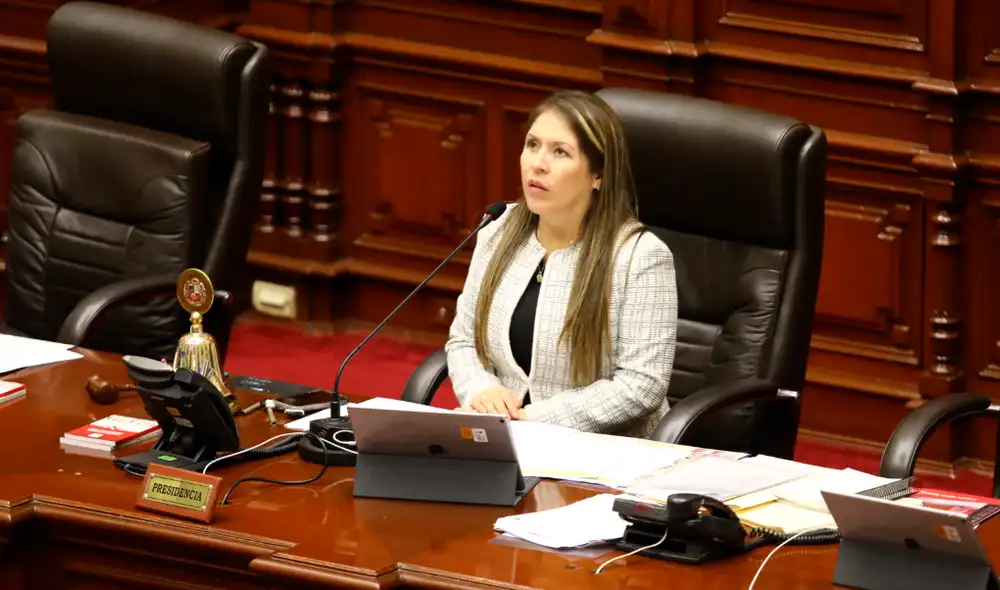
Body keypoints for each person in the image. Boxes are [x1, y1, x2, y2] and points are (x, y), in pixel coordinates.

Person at [445, 90, 678, 438]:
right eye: (532, 145)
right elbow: (463, 341)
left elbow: (642, 384)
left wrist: (534, 418)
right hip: (506, 436)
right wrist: (481, 392)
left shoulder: (639, 256)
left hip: (600, 452)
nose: (538, 163)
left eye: (560, 152)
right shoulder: (498, 229)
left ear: (597, 174)